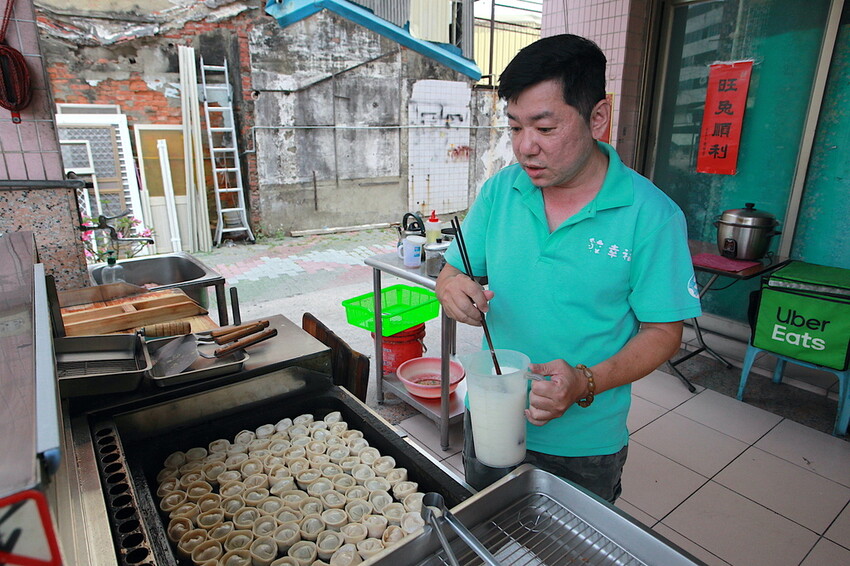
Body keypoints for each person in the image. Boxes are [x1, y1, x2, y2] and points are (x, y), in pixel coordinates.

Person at [435, 34, 702, 503]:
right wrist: (452, 290)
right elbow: (453, 272)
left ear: (598, 117)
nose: (526, 148)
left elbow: (663, 331)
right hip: (492, 415)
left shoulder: (652, 215)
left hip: (585, 443)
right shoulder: (501, 191)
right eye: (515, 127)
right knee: (482, 527)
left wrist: (585, 381)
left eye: (545, 127)